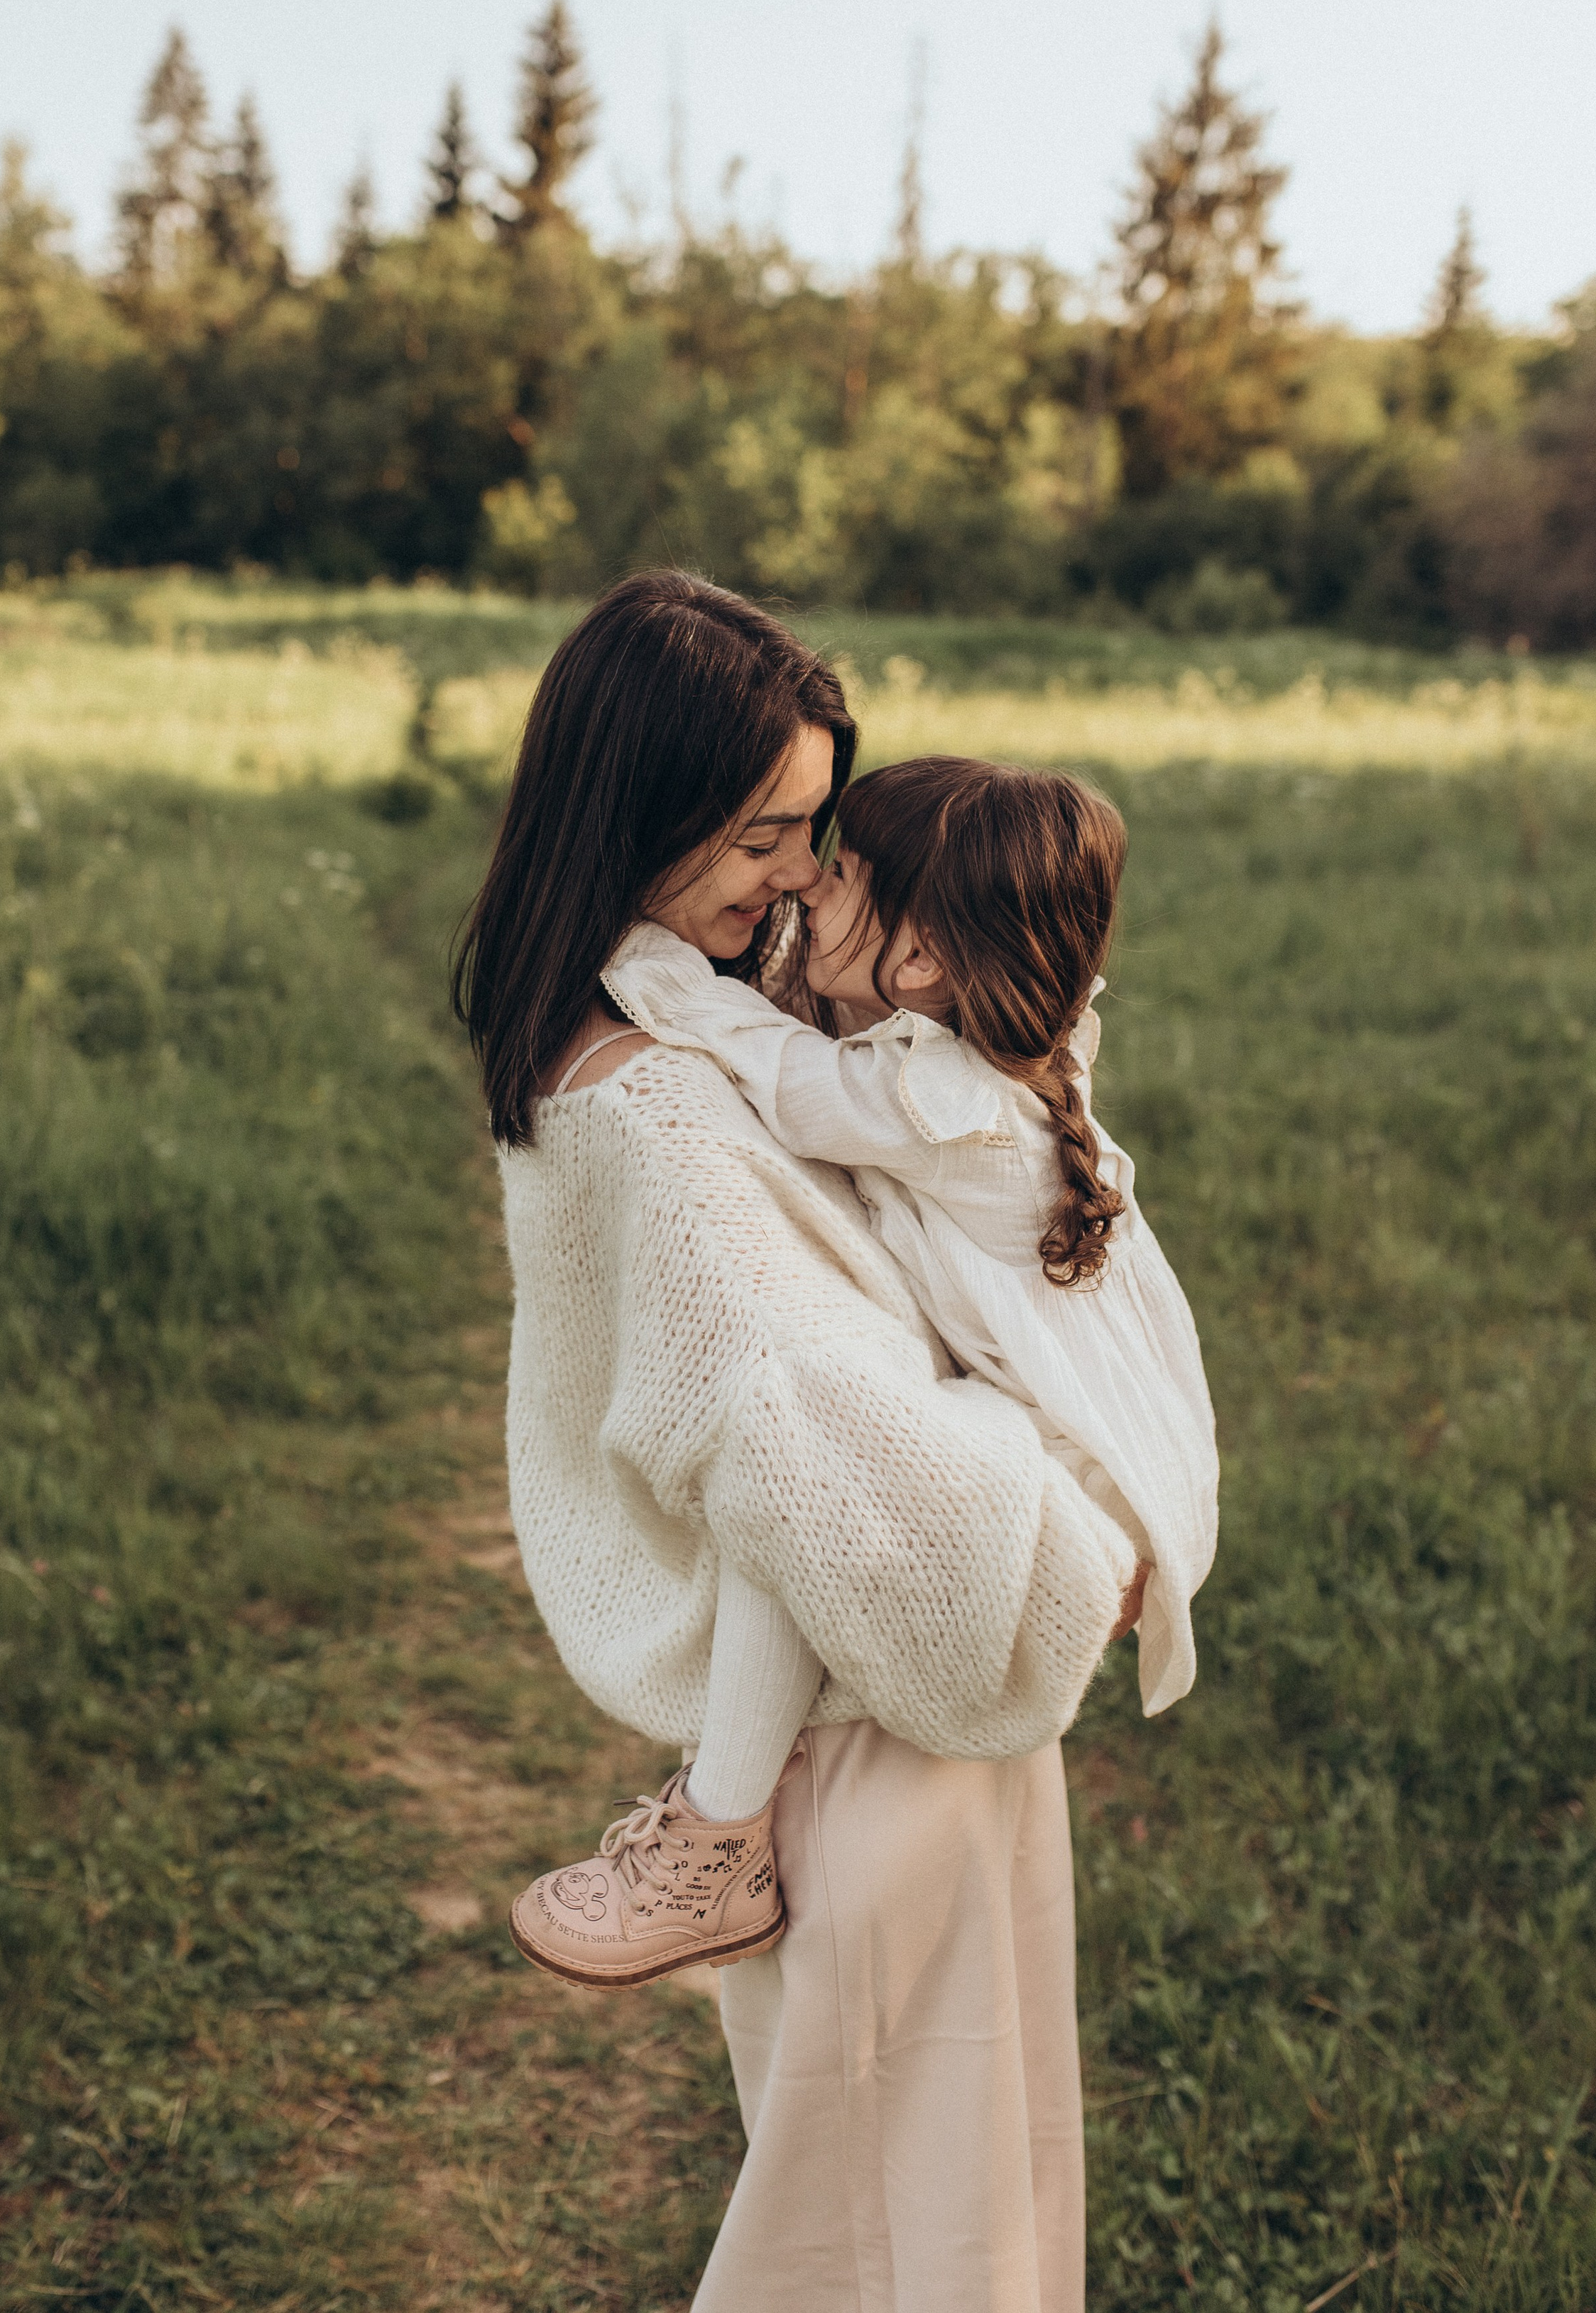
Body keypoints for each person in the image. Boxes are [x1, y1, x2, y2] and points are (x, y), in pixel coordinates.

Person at [455, 569, 1142, 2312]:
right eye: (764, 835)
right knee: (901, 2229)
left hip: (869, 1695)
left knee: (897, 2188)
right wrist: (1076, 1523)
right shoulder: (671, 1116)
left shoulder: (623, 1005)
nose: (799, 877)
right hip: (882, 1714)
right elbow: (807, 1443)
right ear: (645, 811)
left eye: (813, 831)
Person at [513, 753, 1216, 1967]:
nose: (807, 887)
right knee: (792, 1485)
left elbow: (786, 1080)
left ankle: (719, 1840)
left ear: (929, 960)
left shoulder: (935, 1095)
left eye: (837, 871)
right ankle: (723, 1823)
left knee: (791, 1492)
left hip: (1062, 1443)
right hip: (1056, 1401)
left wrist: (645, 959)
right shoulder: (963, 1042)